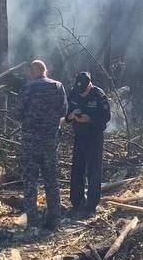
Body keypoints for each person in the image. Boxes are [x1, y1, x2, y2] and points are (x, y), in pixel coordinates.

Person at [15, 59, 67, 229]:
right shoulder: (58, 87)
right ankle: (55, 219)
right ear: (45, 70)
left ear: (33, 71)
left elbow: (17, 113)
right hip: (50, 140)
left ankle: (33, 221)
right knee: (51, 179)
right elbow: (64, 111)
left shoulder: (27, 88)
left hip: (30, 141)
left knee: (30, 180)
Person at [66, 70, 111, 217]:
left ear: (89, 85)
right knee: (77, 169)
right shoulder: (73, 93)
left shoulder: (99, 95)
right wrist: (71, 116)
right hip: (79, 136)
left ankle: (91, 205)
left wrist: (90, 118)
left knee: (94, 171)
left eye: (84, 90)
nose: (81, 93)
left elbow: (106, 116)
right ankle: (77, 202)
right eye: (79, 90)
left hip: (94, 137)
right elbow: (65, 114)